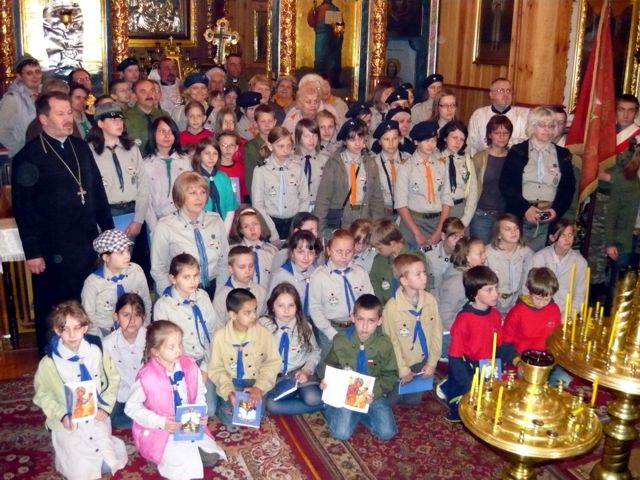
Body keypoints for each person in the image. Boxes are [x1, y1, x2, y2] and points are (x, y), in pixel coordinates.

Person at [12, 92, 113, 356]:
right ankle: (52, 360)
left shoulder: (80, 147)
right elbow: (24, 209)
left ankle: (88, 357)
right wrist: (32, 251)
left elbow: (97, 192)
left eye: (69, 112)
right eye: (61, 113)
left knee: (85, 302)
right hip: (51, 248)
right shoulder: (28, 156)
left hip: (85, 244)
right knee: (54, 308)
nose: (68, 118)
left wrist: (109, 234)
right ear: (43, 119)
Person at [33, 300, 128, 479]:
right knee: (81, 471)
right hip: (69, 424)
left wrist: (105, 408)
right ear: (57, 330)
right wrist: (61, 414)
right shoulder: (49, 363)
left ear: (85, 328)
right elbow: (42, 394)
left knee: (107, 465)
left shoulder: (97, 352)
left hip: (96, 417)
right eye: (65, 329)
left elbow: (112, 379)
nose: (71, 334)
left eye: (77, 328)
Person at [126, 320, 226, 479]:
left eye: (180, 344)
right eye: (171, 347)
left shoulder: (189, 365)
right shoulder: (146, 377)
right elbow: (131, 408)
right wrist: (160, 421)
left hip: (188, 425)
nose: (178, 350)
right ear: (156, 351)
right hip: (161, 430)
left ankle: (178, 453)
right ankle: (158, 454)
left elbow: (200, 390)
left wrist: (200, 410)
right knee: (180, 467)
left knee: (211, 457)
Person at [320, 294, 398, 441]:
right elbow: (330, 364)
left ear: (380, 321)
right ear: (353, 317)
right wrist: (326, 380)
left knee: (387, 433)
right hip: (344, 394)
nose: (365, 326)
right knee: (341, 434)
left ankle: (359, 413)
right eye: (360, 319)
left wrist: (374, 392)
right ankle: (331, 408)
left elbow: (391, 374)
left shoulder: (384, 344)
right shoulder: (341, 340)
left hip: (371, 395)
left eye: (371, 321)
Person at [153, 253, 222, 417]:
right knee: (179, 408)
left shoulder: (203, 297)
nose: (193, 281)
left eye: (196, 275)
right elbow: (163, 346)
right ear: (173, 278)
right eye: (186, 277)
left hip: (204, 359)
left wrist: (205, 368)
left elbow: (213, 334)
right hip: (177, 364)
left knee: (209, 410)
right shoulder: (163, 306)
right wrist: (187, 371)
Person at [588, 94, 640, 309]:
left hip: (625, 202)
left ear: (636, 113)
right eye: (621, 109)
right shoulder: (604, 132)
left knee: (617, 246)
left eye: (630, 110)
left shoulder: (636, 137)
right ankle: (593, 289)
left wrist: (608, 176)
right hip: (600, 197)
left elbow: (633, 175)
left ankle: (610, 297)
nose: (625, 114)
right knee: (595, 243)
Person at [499, 107, 575, 251]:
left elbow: (568, 188)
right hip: (521, 214)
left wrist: (556, 210)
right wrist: (526, 209)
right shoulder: (517, 151)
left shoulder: (563, 155)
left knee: (543, 263)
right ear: (532, 126)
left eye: (551, 126)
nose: (547, 129)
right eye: (542, 125)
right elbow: (506, 186)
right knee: (519, 257)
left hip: (550, 216)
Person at [437, 265, 504, 422]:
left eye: (496, 288)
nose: (496, 294)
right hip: (467, 366)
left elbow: (499, 345)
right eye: (489, 290)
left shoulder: (494, 314)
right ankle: (449, 388)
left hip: (488, 365)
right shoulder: (464, 320)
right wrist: (468, 386)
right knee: (463, 410)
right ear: (474, 293)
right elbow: (455, 357)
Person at [208, 288, 282, 426]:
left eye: (255, 310)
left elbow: (273, 363)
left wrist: (259, 387)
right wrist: (228, 391)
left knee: (254, 419)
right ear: (233, 315)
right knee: (230, 421)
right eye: (248, 313)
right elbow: (216, 369)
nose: (254, 316)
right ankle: (222, 401)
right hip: (231, 381)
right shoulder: (219, 337)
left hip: (255, 380)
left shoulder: (264, 334)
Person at [150, 172, 229, 297]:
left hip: (215, 289)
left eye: (203, 192)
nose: (199, 198)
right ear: (180, 196)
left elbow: (224, 262)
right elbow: (159, 269)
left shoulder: (215, 220)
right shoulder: (165, 225)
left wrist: (221, 295)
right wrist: (173, 298)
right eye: (193, 193)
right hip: (181, 292)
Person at [383, 254, 443, 406]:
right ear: (403, 280)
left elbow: (436, 332)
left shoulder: (430, 301)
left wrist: (432, 362)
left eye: (424, 272)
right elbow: (391, 342)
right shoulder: (392, 308)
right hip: (399, 363)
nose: (424, 277)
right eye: (418, 274)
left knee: (412, 402)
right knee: (388, 402)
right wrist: (403, 370)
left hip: (421, 361)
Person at [88, 102, 150, 242]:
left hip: (132, 212)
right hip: (106, 213)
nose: (119, 123)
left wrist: (138, 220)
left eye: (120, 119)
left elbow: (143, 184)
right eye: (113, 119)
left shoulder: (131, 148)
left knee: (132, 260)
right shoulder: (89, 151)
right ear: (100, 123)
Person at [259, 283, 323, 415]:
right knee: (271, 405)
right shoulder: (262, 326)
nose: (286, 311)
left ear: (297, 307)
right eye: (280, 306)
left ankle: (323, 403)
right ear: (272, 306)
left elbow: (315, 352)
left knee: (313, 398)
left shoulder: (304, 327)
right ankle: (301, 398)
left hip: (298, 372)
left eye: (291, 306)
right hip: (275, 377)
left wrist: (306, 370)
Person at [309, 229, 374, 353]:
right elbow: (315, 308)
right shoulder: (319, 276)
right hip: (330, 328)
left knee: (355, 364)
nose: (344, 256)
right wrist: (330, 332)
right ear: (328, 251)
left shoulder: (360, 272)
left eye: (348, 252)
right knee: (330, 368)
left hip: (357, 327)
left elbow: (369, 300)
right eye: (339, 252)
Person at [314, 118, 384, 232]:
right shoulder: (334, 163)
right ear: (345, 141)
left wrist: (377, 226)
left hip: (364, 219)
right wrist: (321, 229)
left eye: (361, 138)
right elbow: (323, 198)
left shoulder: (371, 163)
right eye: (352, 139)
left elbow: (377, 198)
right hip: (341, 220)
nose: (357, 143)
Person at [82, 229, 151, 337]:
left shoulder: (136, 271)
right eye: (120, 252)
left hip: (136, 328)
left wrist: (144, 327)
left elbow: (146, 301)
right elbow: (88, 316)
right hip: (106, 332)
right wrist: (101, 339)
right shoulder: (92, 283)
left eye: (128, 250)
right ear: (106, 257)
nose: (127, 255)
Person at [395, 121, 453, 247]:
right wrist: (417, 233)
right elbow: (401, 204)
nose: (431, 145)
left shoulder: (441, 164)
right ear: (416, 142)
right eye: (426, 141)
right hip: (413, 222)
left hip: (437, 222)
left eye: (433, 140)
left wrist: (439, 230)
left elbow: (446, 199)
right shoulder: (406, 167)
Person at [252, 126, 310, 238]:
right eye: (281, 146)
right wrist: (271, 231)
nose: (285, 150)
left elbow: (304, 198)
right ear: (270, 146)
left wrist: (297, 225)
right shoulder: (261, 170)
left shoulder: (297, 168)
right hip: (269, 222)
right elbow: (258, 204)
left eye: (289, 146)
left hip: (294, 222)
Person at [436, 237, 488, 355]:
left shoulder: (471, 276)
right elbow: (445, 316)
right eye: (480, 254)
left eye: (484, 252)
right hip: (449, 336)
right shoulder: (457, 284)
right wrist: (466, 333)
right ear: (467, 258)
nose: (484, 257)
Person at [102, 293, 147, 428]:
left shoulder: (151, 338)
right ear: (116, 317)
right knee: (113, 420)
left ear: (143, 317)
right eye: (126, 315)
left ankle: (148, 418)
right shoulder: (108, 343)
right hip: (122, 393)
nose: (132, 321)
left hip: (146, 393)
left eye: (137, 315)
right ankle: (147, 420)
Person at [143, 116, 192, 237]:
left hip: (185, 222)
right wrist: (155, 228)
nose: (167, 135)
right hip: (158, 222)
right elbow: (145, 201)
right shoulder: (145, 164)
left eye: (171, 132)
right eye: (162, 131)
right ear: (153, 134)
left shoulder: (186, 161)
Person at [469, 115, 513, 244]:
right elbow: (471, 189)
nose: (501, 136)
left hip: (506, 216)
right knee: (479, 253)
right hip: (482, 215)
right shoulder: (479, 158)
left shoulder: (514, 157)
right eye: (497, 133)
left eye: (505, 133)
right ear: (489, 135)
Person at [532, 219, 587, 317]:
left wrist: (568, 315)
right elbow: (529, 289)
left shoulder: (580, 262)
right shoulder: (539, 258)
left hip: (565, 313)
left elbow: (580, 294)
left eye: (570, 235)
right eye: (563, 235)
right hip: (539, 310)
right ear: (552, 237)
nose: (567, 239)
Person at [502, 267, 561, 355]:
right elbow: (505, 341)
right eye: (538, 298)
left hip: (544, 356)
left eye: (546, 299)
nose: (541, 303)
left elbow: (555, 338)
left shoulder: (554, 310)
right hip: (520, 356)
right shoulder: (518, 311)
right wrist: (515, 360)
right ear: (530, 292)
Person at [467, 77, 529, 156]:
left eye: (508, 90)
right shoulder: (479, 115)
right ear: (491, 94)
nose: (506, 94)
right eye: (501, 90)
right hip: (484, 163)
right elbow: (472, 145)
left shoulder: (523, 116)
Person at [485, 213, 534, 315]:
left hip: (518, 304)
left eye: (516, 228)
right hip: (492, 306)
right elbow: (482, 285)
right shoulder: (487, 253)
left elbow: (528, 282)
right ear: (499, 234)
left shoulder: (527, 253)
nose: (514, 232)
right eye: (508, 229)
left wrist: (520, 303)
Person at [267, 230, 321, 315]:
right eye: (301, 252)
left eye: (311, 253)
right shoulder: (281, 276)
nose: (306, 257)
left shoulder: (316, 272)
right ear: (292, 253)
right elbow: (270, 306)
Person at [213, 245, 268, 324]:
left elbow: (265, 321)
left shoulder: (261, 291)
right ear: (231, 269)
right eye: (242, 267)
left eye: (251, 266)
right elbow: (218, 328)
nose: (247, 271)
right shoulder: (221, 297)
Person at [369, 218, 420, 304]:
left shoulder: (415, 259)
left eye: (379, 248)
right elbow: (374, 286)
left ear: (392, 243)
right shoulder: (379, 261)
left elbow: (422, 290)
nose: (377, 251)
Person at [0, 54, 42, 157]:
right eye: (29, 73)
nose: (35, 76)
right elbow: (1, 131)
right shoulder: (12, 99)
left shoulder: (46, 94)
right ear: (19, 76)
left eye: (37, 72)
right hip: (25, 157)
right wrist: (22, 150)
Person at [437, 121, 478, 226]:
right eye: (454, 137)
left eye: (462, 139)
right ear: (445, 137)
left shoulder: (467, 161)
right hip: (438, 209)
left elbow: (473, 193)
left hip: (459, 209)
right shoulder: (435, 158)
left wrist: (464, 221)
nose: (458, 142)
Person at [191, 138, 239, 228]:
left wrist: (225, 233)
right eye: (207, 153)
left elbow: (230, 208)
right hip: (200, 227)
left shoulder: (224, 177)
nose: (211, 157)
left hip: (223, 226)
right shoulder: (192, 179)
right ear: (199, 155)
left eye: (215, 153)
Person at [229, 207, 280, 288]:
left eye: (255, 224)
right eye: (246, 226)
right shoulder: (232, 251)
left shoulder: (272, 251)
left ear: (261, 225)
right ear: (240, 230)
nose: (252, 229)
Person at [371, 119, 409, 219]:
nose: (391, 143)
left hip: (407, 212)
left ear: (400, 138)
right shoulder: (373, 163)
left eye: (394, 138)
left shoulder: (409, 160)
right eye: (386, 139)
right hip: (383, 213)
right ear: (379, 141)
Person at [123, 79, 167, 154]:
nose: (149, 95)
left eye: (152, 91)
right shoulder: (125, 118)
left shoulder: (164, 116)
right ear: (135, 96)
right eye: (143, 92)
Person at [294, 117, 328, 211]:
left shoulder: (325, 159)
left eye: (315, 136)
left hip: (318, 206)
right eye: (306, 136)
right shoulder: (291, 159)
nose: (311, 140)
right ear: (298, 137)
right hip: (297, 206)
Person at [243, 104, 278, 193]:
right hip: (261, 193)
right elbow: (250, 177)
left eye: (270, 121)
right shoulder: (250, 147)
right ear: (255, 123)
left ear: (275, 122)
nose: (267, 125)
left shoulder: (281, 144)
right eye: (262, 121)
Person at [424, 216, 465, 292]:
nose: (458, 241)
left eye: (461, 237)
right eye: (454, 237)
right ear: (443, 236)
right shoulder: (428, 254)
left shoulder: (464, 257)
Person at [307, 0, 343, 86]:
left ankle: (329, 80)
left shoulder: (332, 9)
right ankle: (322, 80)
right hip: (323, 34)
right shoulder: (321, 9)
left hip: (326, 35)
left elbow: (337, 28)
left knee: (327, 57)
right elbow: (312, 22)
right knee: (322, 57)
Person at [217, 128, 248, 203]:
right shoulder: (214, 168)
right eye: (224, 145)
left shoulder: (242, 169)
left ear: (236, 148)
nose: (228, 149)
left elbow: (245, 194)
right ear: (218, 146)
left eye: (231, 145)